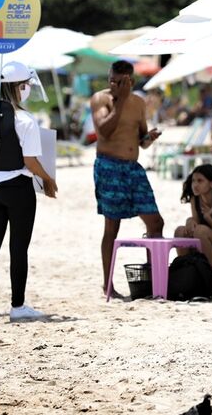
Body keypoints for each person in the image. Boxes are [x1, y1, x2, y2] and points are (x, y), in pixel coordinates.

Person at [0, 61, 57, 323]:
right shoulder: (24, 120)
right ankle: (17, 306)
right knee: (18, 249)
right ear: (20, 87)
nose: (28, 88)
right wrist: (47, 178)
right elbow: (30, 160)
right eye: (27, 85)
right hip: (19, 189)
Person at [90, 60, 163, 297]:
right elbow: (104, 131)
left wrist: (149, 138)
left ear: (130, 81)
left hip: (133, 167)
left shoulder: (139, 102)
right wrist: (119, 101)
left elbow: (141, 138)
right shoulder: (101, 99)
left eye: (120, 82)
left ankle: (155, 280)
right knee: (112, 226)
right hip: (109, 166)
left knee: (155, 222)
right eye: (111, 80)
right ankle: (108, 285)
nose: (114, 85)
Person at [174, 164, 212, 267]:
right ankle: (185, 270)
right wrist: (190, 220)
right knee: (180, 231)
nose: (195, 185)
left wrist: (209, 218)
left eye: (200, 181)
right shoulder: (196, 199)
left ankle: (209, 278)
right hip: (203, 242)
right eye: (193, 181)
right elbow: (196, 223)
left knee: (200, 231)